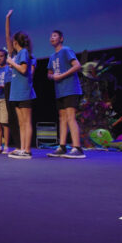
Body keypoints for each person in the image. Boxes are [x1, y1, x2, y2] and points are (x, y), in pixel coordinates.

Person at [46, 30, 85, 159]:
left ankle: (77, 148)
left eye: (55, 36)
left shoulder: (66, 50)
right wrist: (53, 76)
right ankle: (62, 146)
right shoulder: (52, 56)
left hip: (70, 88)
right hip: (60, 90)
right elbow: (49, 73)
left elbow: (77, 65)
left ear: (61, 39)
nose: (52, 38)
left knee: (70, 117)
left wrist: (62, 75)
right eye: (51, 36)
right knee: (62, 118)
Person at [5, 11, 37, 159]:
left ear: (15, 42)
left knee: (26, 121)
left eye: (13, 41)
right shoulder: (17, 55)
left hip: (24, 91)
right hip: (16, 92)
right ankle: (22, 148)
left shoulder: (23, 52)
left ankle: (27, 149)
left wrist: (11, 63)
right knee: (20, 122)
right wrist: (7, 19)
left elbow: (24, 70)